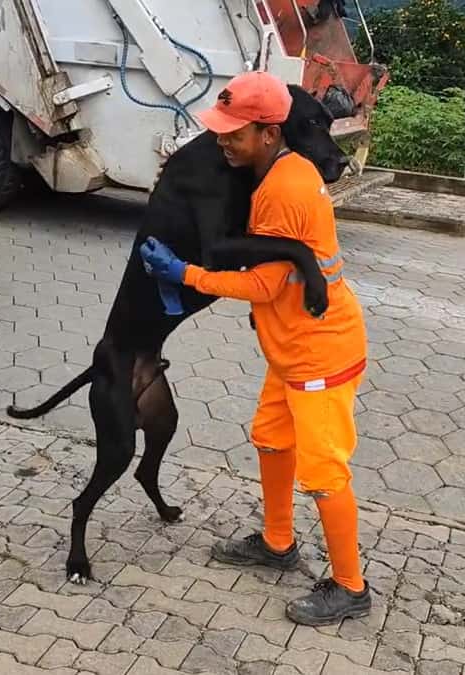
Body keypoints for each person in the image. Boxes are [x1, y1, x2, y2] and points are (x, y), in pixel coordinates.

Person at [139, 70, 371, 626]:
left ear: (269, 133)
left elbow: (264, 283)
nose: (224, 142)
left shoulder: (285, 190)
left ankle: (350, 585)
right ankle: (277, 541)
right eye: (220, 131)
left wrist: (185, 273)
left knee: (323, 472)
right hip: (290, 348)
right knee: (270, 438)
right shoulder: (279, 171)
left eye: (234, 134)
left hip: (321, 353)